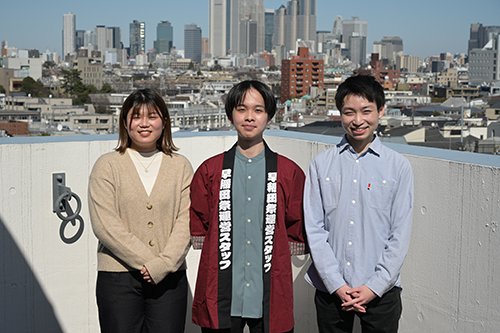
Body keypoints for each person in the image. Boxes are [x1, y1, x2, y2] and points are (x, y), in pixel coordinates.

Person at [190, 80, 306, 333]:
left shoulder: (289, 172)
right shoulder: (210, 170)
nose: (249, 117)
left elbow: (295, 224)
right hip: (221, 289)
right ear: (230, 116)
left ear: (269, 117)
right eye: (241, 109)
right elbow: (201, 221)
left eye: (258, 110)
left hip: (270, 289)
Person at [304, 75, 414, 333]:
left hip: (381, 292)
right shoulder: (321, 165)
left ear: (381, 111)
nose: (358, 120)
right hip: (331, 291)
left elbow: (400, 234)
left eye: (366, 111)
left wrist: (374, 286)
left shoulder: (398, 167)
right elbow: (315, 230)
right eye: (349, 112)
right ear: (339, 114)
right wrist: (336, 284)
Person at [88, 88, 193, 333]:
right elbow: (104, 224)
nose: (144, 124)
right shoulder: (108, 165)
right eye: (136, 117)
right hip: (118, 276)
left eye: (152, 116)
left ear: (164, 122)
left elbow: (187, 220)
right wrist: (151, 263)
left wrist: (164, 264)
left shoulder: (180, 166)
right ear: (125, 123)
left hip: (169, 275)